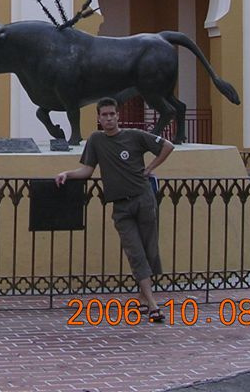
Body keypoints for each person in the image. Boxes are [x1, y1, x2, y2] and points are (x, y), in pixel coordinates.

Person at [55, 97, 174, 322]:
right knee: (135, 252)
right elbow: (87, 171)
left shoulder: (135, 136)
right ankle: (153, 304)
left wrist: (149, 168)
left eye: (112, 114)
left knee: (150, 250)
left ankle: (142, 299)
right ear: (98, 118)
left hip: (144, 199)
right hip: (120, 206)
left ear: (117, 115)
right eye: (104, 115)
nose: (109, 118)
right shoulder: (96, 141)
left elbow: (168, 146)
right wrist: (66, 174)